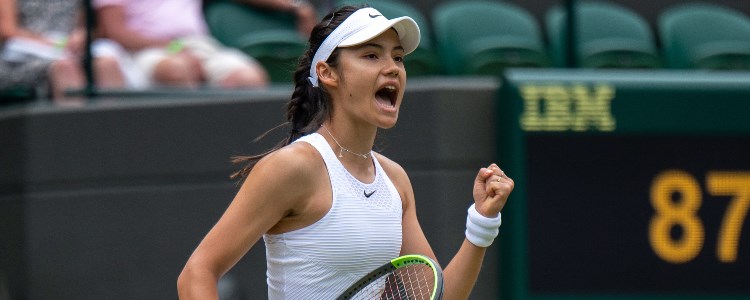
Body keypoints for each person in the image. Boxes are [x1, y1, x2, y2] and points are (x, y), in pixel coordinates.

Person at [177, 5, 514, 299]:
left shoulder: (395, 180)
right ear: (327, 73)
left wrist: (482, 224)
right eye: (371, 55)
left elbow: (435, 296)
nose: (393, 67)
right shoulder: (294, 167)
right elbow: (198, 273)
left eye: (398, 57)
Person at [93, 0, 269, 89]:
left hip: (200, 44)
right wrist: (174, 48)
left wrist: (294, 7)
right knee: (176, 71)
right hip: (143, 50)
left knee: (249, 78)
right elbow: (114, 31)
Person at [0, 0, 126, 101]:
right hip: (19, 58)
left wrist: (82, 36)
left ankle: (115, 128)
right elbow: (7, 31)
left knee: (108, 65)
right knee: (65, 68)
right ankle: (75, 129)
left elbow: (88, 27)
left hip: (67, 51)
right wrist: (54, 43)